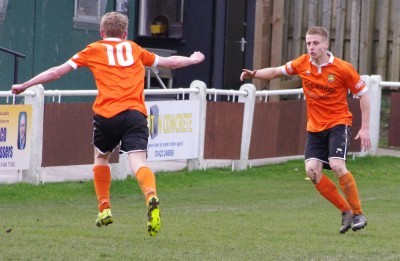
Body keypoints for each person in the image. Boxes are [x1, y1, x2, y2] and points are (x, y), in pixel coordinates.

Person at [11, 11, 205, 236]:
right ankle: (151, 194)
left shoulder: (93, 49)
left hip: (107, 114)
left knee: (101, 157)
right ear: (124, 33)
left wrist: (26, 84)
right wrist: (193, 59)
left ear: (102, 32)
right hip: (135, 114)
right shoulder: (134, 48)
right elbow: (170, 62)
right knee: (138, 162)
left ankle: (104, 207)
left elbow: (57, 72)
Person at [240, 26, 370, 234]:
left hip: (338, 123)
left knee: (337, 165)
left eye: (316, 43)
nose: (311, 47)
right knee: (311, 171)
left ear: (326, 45)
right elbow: (276, 72)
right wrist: (254, 74)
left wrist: (365, 128)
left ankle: (357, 212)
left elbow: (363, 95)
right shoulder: (302, 63)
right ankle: (345, 210)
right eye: (308, 43)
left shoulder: (343, 68)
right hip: (315, 128)